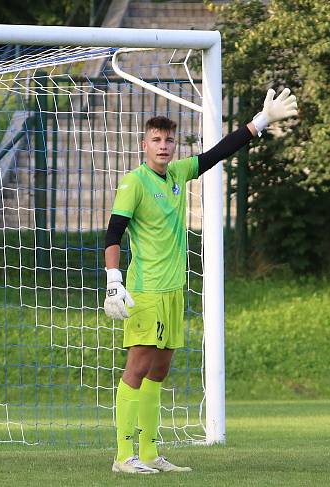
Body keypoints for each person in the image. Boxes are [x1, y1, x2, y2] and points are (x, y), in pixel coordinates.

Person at [104, 88, 298, 474]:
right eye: (156, 140)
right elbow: (113, 234)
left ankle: (148, 453)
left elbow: (217, 153)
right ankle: (123, 456)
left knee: (159, 372)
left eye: (169, 139)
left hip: (174, 291)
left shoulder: (176, 174)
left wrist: (261, 121)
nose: (163, 145)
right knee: (137, 369)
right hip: (146, 291)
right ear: (144, 145)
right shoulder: (134, 182)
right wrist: (114, 279)